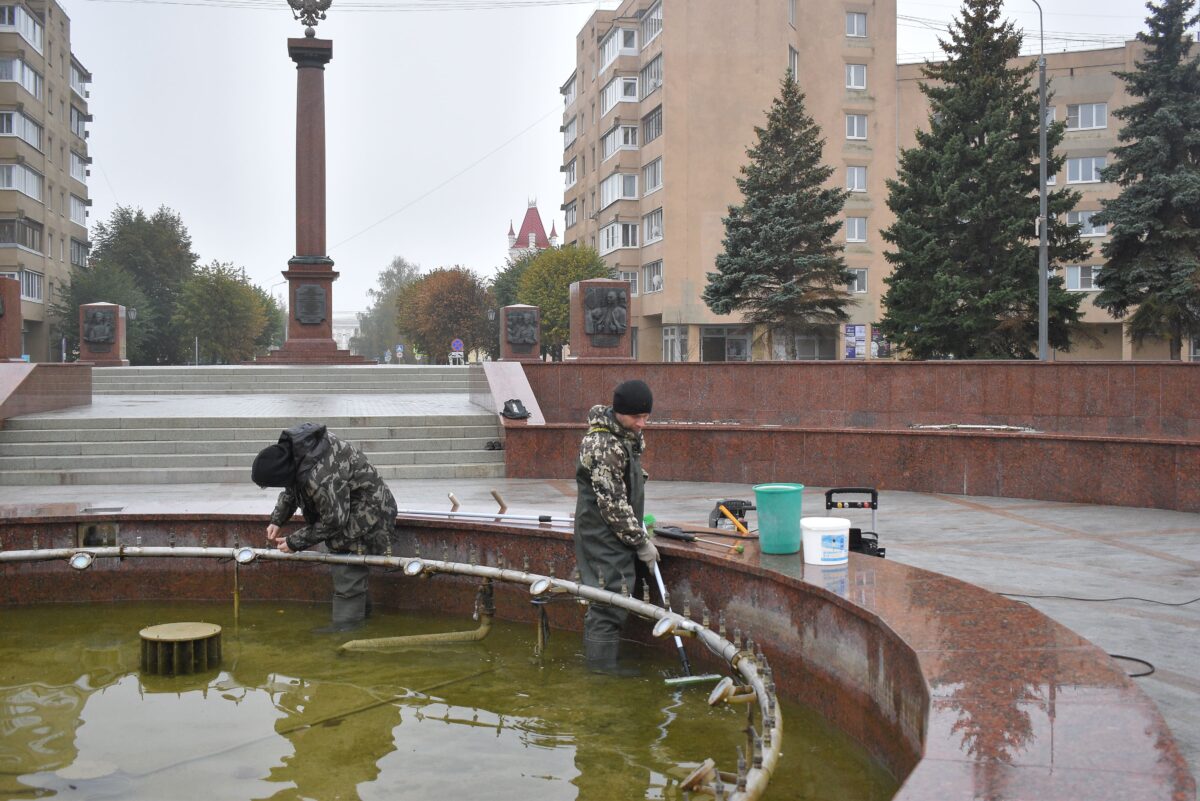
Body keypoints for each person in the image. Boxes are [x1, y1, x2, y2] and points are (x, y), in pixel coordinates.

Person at [251, 422, 398, 633]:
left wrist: (294, 542)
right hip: (354, 509)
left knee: (347, 564)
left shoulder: (321, 476)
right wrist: (277, 519)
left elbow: (334, 521)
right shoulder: (298, 453)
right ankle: (361, 621)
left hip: (369, 514)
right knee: (350, 572)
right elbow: (291, 489)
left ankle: (343, 633)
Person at [573, 379, 659, 675]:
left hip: (614, 531)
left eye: (646, 417)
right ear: (620, 412)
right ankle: (601, 671)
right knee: (607, 598)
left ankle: (604, 663)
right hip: (601, 532)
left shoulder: (624, 434)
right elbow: (611, 503)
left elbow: (623, 481)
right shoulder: (603, 443)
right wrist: (640, 541)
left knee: (616, 594)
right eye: (637, 417)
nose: (642, 423)